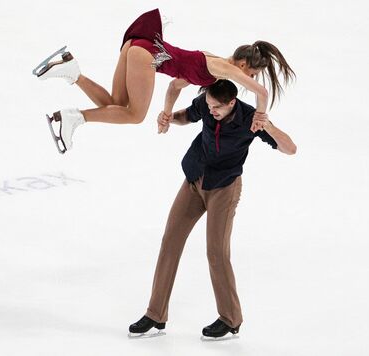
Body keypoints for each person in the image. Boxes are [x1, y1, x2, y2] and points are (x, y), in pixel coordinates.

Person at [127, 80, 297, 338]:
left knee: (216, 252)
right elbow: (188, 115)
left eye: (217, 107)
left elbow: (290, 149)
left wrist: (269, 126)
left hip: (224, 188)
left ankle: (230, 318)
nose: (212, 110)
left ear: (232, 103)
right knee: (170, 241)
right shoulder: (207, 106)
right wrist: (170, 118)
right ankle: (155, 314)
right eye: (209, 105)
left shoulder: (250, 119)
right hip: (195, 179)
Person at [34, 8, 295, 153]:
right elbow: (261, 91)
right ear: (242, 64)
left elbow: (174, 85)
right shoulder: (226, 69)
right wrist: (261, 117)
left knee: (116, 104)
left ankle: (71, 71)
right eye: (250, 73)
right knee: (135, 115)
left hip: (137, 46)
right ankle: (71, 118)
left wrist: (167, 113)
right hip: (146, 54)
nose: (248, 79)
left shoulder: (212, 68)